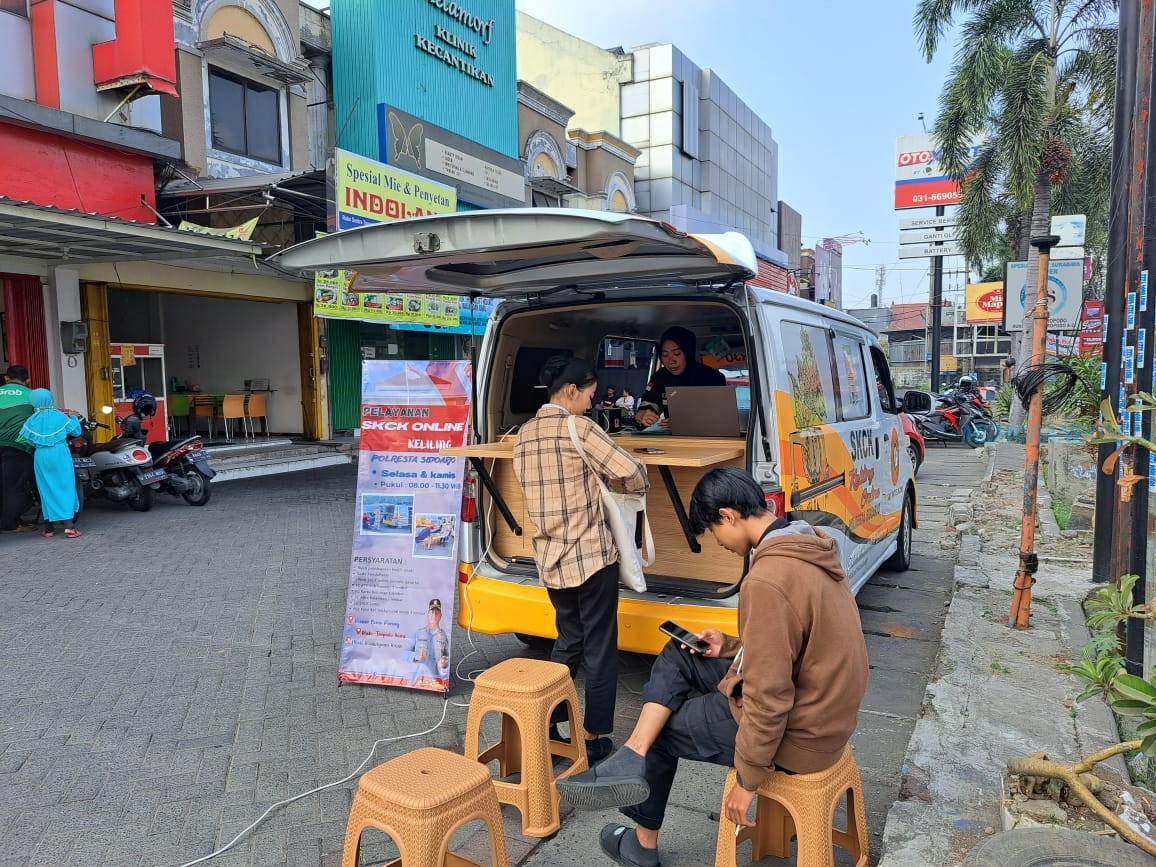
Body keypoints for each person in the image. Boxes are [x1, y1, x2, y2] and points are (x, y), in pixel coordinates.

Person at [555, 467, 868, 867]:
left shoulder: (768, 579)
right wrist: (731, 646)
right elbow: (799, 645)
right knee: (680, 652)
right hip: (826, 709)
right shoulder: (808, 545)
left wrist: (747, 780)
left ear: (729, 516)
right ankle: (632, 752)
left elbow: (770, 696)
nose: (720, 543)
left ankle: (641, 845)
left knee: (663, 729)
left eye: (715, 532)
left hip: (800, 730)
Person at [513, 356, 649, 765]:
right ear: (571, 391)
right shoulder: (580, 427)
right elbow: (633, 471)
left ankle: (551, 724)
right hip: (591, 556)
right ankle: (591, 738)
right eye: (589, 395)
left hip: (550, 557)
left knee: (568, 639)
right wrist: (616, 483)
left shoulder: (523, 434)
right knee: (601, 648)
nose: (591, 404)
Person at [19, 389, 82, 539]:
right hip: (60, 453)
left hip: (41, 455)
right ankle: (69, 527)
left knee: (45, 489)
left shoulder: (31, 420)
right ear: (50, 399)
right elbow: (76, 432)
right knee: (65, 487)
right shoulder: (60, 416)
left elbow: (27, 440)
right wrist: (74, 416)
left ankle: (49, 529)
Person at [635, 326, 726, 428]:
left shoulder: (712, 378)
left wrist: (688, 423)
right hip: (674, 440)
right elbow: (650, 401)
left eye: (677, 353)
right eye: (665, 355)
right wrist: (642, 414)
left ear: (688, 353)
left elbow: (721, 418)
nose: (670, 361)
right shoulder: (660, 377)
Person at [0, 365, 34, 532]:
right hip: (17, 445)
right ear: (27, 380)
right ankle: (10, 524)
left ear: (7, 378)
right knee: (13, 486)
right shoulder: (32, 396)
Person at [404, 598, 450, 681]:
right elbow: (403, 654)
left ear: (440, 616)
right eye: (432, 612)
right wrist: (415, 656)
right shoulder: (418, 633)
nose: (434, 615)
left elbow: (447, 657)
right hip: (415, 680)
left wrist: (444, 663)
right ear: (428, 614)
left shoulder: (444, 636)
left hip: (433, 681)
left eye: (437, 612)